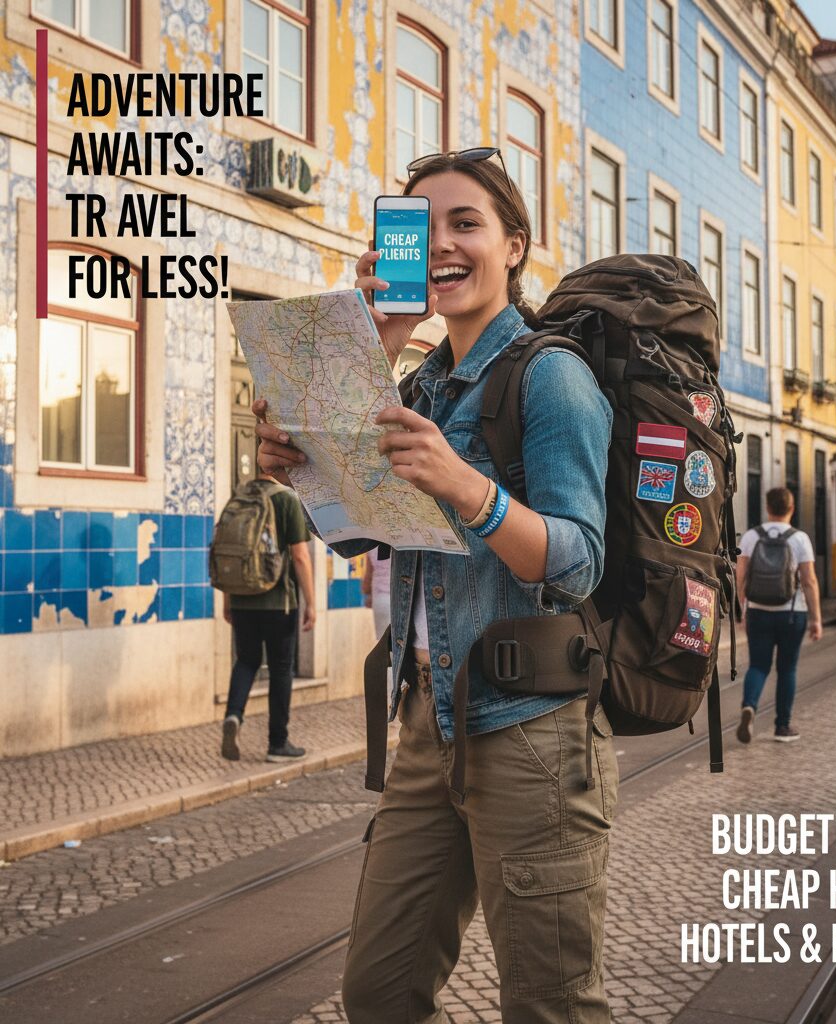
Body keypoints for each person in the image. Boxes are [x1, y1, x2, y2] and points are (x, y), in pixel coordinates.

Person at [253, 148, 617, 1023]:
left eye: (467, 224)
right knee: (378, 993)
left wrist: (469, 489)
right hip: (427, 723)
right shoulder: (418, 382)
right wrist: (307, 444)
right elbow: (356, 532)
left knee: (551, 1007)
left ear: (514, 247)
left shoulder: (551, 374)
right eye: (423, 226)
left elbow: (579, 561)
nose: (444, 244)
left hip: (531, 730)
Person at [221, 471, 316, 763]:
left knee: (246, 660)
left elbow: (228, 556)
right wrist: (311, 603)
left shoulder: (237, 499)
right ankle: (278, 743)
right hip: (279, 602)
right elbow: (300, 556)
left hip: (241, 599)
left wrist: (228, 600)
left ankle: (233, 715)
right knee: (281, 669)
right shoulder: (286, 499)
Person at [735, 487, 822, 744]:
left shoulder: (751, 536)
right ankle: (782, 727)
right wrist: (816, 618)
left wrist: (742, 610)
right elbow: (809, 581)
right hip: (792, 614)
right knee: (787, 669)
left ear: (767, 508)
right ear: (792, 508)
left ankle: (749, 706)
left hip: (758, 611)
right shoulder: (800, 539)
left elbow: (741, 577)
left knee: (758, 665)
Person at [360, 546, 391, 639]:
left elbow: (368, 577)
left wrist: (369, 594)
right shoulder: (402, 544)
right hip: (401, 597)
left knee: (383, 640)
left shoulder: (371, 546)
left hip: (380, 599)